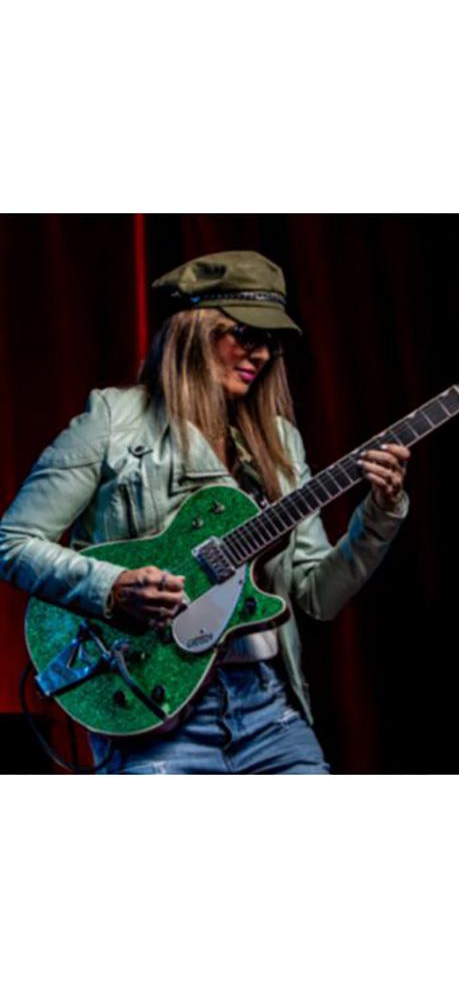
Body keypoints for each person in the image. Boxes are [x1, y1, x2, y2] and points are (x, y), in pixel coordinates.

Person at [0, 250, 410, 773]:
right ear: (193, 331)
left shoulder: (279, 441)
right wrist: (113, 586)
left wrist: (379, 515)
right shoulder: (113, 422)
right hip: (152, 707)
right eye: (246, 334)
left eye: (272, 341)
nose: (262, 354)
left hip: (267, 711)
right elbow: (12, 542)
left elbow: (318, 596)